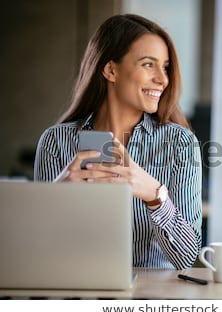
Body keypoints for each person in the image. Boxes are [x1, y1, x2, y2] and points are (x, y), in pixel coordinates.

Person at [34, 14, 202, 270]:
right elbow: (38, 251)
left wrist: (155, 195)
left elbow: (187, 257)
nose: (163, 79)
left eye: (165, 67)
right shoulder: (56, 142)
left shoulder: (180, 143)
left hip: (152, 301)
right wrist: (58, 194)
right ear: (111, 70)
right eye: (149, 64)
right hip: (77, 296)